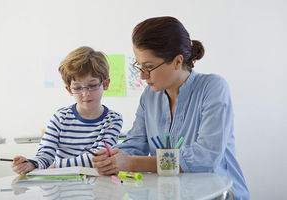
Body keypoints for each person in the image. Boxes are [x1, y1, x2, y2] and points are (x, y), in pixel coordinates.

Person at [92, 16, 250, 199]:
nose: (142, 76)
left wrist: (132, 163)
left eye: (149, 67)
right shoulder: (150, 96)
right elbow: (135, 144)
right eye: (139, 66)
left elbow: (205, 158)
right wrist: (112, 159)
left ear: (177, 61)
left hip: (218, 195)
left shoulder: (213, 87)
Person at [12, 46, 123, 174]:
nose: (85, 93)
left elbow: (99, 158)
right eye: (77, 88)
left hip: (97, 186)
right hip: (62, 186)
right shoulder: (60, 117)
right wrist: (31, 164)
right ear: (69, 90)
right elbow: (45, 155)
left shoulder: (113, 119)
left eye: (92, 85)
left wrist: (57, 165)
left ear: (106, 84)